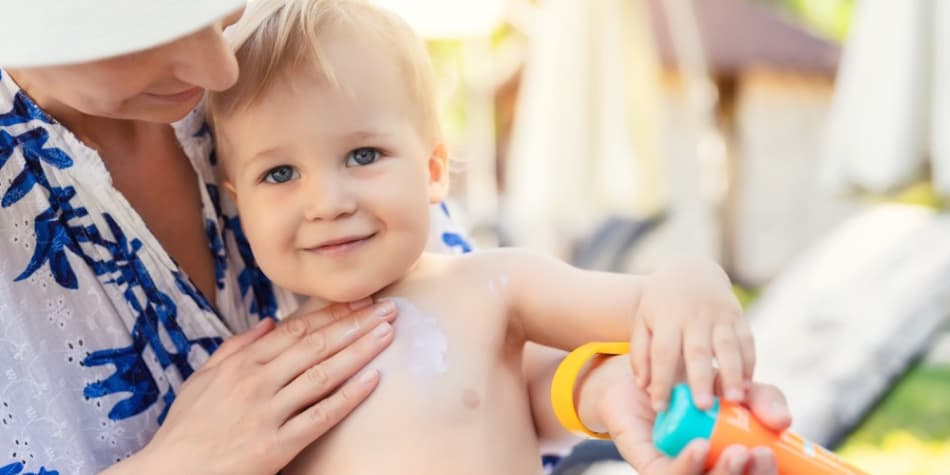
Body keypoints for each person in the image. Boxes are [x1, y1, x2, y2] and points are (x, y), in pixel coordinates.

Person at [0, 1, 789, 474]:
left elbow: (623, 317)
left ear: (436, 164)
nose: (218, 68)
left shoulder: (479, 284)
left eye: (364, 157)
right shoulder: (280, 351)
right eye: (280, 176)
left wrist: (609, 374)